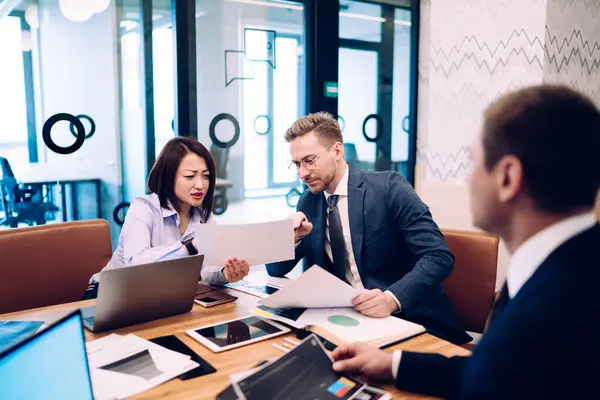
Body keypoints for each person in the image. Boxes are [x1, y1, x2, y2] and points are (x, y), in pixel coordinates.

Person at [331, 85, 600, 399]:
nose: (467, 179)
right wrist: (395, 365)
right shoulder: (560, 267)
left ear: (508, 177)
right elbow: (495, 370)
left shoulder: (556, 310)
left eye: (472, 163)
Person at [266, 112, 470, 345]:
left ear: (337, 151)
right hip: (350, 323)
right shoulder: (309, 201)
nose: (302, 173)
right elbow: (275, 269)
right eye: (296, 164)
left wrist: (392, 299)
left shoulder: (388, 187)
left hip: (410, 319)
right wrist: (290, 236)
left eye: (309, 161)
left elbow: (438, 256)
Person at [81, 137, 250, 300]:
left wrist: (225, 274)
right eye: (190, 176)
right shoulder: (143, 208)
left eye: (205, 176)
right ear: (169, 177)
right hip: (110, 292)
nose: (200, 185)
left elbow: (206, 270)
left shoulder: (203, 216)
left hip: (157, 296)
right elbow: (135, 264)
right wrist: (189, 247)